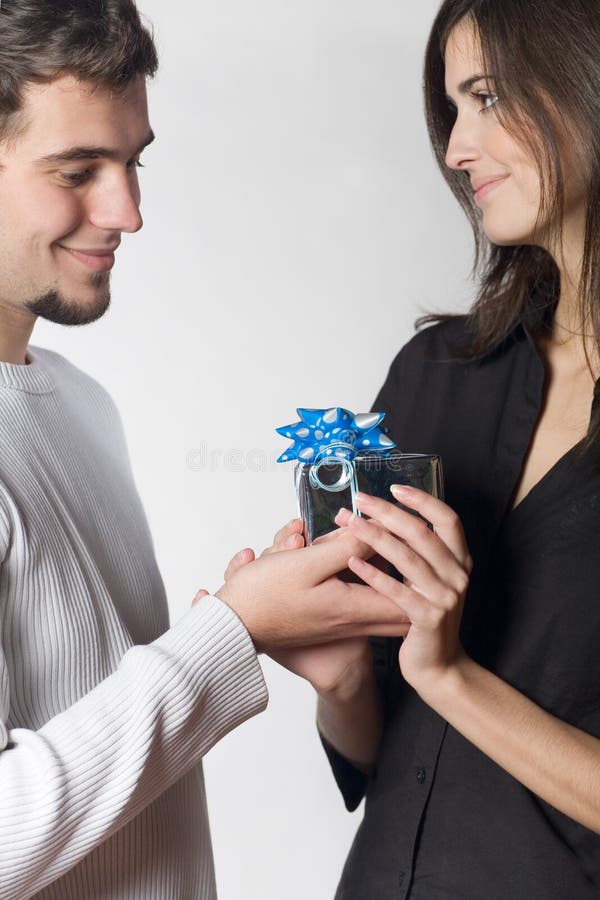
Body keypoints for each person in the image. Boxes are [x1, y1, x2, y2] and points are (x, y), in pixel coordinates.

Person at [0, 2, 412, 898]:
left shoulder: (77, 402)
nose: (128, 212)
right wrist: (234, 631)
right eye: (78, 169)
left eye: (133, 161)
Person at [228, 0, 600, 896]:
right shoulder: (436, 370)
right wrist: (344, 676)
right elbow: (378, 752)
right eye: (452, 108)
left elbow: (435, 679)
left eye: (487, 96)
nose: (454, 148)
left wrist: (450, 673)